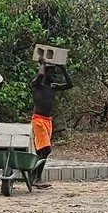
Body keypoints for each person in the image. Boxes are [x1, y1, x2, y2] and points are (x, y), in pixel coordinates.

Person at [29, 61, 71, 189]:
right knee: (46, 149)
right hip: (38, 120)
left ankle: (34, 176)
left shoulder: (53, 87)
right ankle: (36, 178)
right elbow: (40, 75)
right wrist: (42, 63)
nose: (52, 75)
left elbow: (69, 84)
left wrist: (63, 69)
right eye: (50, 72)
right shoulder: (36, 85)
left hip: (47, 121)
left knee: (41, 151)